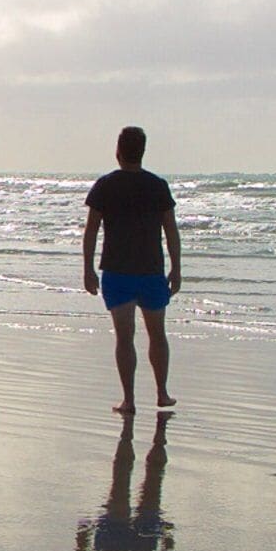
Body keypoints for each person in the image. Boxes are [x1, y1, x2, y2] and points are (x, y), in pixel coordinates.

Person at [80, 124, 180, 413]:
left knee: (125, 338)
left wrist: (88, 269)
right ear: (143, 152)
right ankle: (161, 393)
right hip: (151, 270)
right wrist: (177, 267)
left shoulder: (105, 185)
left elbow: (91, 231)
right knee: (157, 334)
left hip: (117, 271)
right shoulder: (157, 185)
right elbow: (171, 231)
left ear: (118, 152)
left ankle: (130, 400)